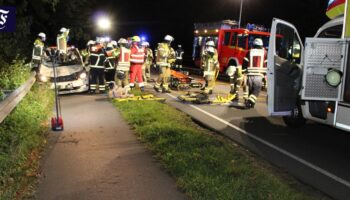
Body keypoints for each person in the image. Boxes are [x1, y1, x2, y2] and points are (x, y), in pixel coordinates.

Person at [242, 38, 267, 108]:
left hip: (250, 74)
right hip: (259, 75)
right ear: (261, 45)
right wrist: (266, 74)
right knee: (256, 90)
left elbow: (245, 62)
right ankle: (249, 102)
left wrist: (243, 72)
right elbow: (267, 63)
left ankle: (251, 104)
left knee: (251, 90)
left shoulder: (250, 51)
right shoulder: (265, 52)